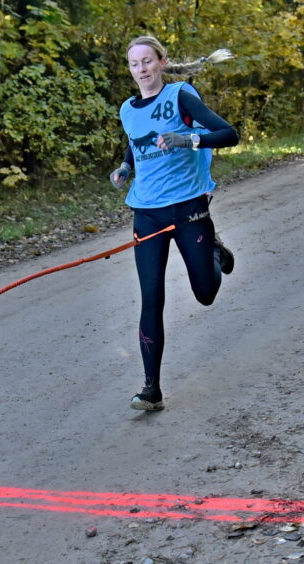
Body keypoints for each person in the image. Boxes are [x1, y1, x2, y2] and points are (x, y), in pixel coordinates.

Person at [110, 35, 240, 411]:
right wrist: (124, 168)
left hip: (188, 210)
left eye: (148, 61)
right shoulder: (127, 108)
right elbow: (136, 143)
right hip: (147, 212)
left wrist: (187, 140)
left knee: (205, 294)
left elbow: (229, 134)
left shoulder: (181, 96)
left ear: (162, 63)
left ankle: (214, 251)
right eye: (135, 64)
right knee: (151, 298)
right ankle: (151, 389)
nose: (142, 69)